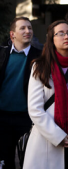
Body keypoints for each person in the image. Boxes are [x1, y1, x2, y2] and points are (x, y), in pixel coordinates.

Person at [24, 20, 68, 168]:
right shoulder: (40, 67)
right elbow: (35, 109)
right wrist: (58, 136)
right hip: (46, 140)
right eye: (60, 34)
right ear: (51, 39)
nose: (67, 36)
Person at [0, 17, 41, 169]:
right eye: (22, 28)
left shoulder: (41, 56)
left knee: (28, 161)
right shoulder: (2, 54)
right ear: (12, 35)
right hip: (2, 117)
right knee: (4, 162)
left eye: (29, 28)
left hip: (27, 118)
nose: (27, 31)